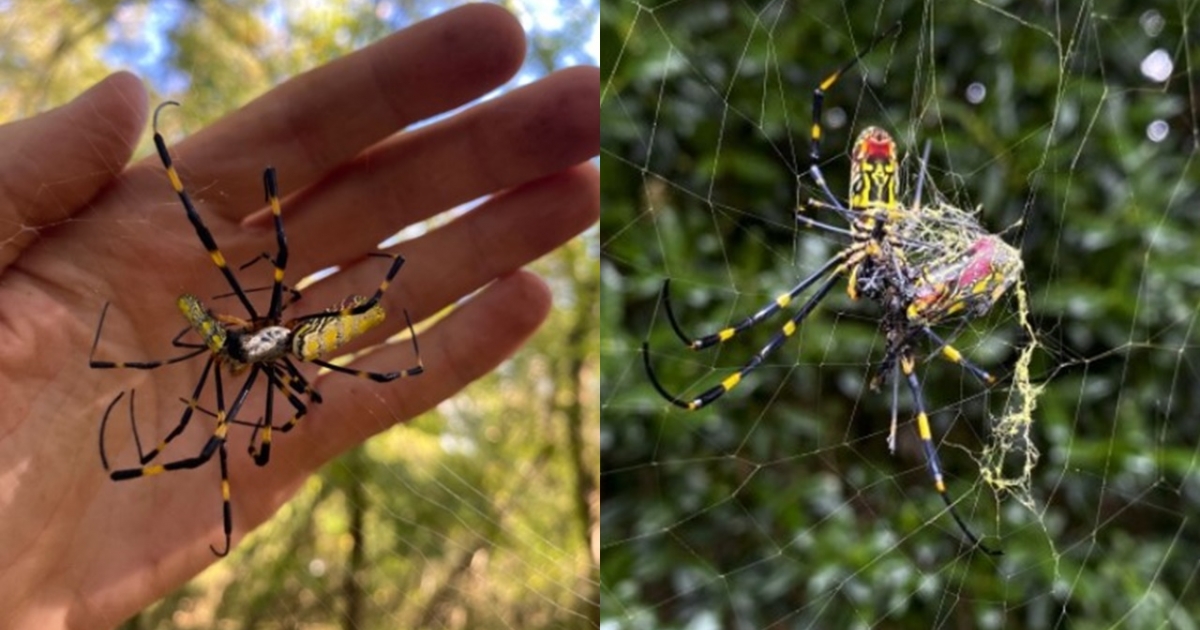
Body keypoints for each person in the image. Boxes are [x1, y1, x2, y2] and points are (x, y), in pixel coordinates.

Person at [0, 4, 598, 628]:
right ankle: (344, 272)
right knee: (285, 369)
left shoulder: (251, 342)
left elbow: (290, 301)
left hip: (301, 336)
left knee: (291, 322)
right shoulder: (250, 351)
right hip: (297, 338)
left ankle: (197, 181)